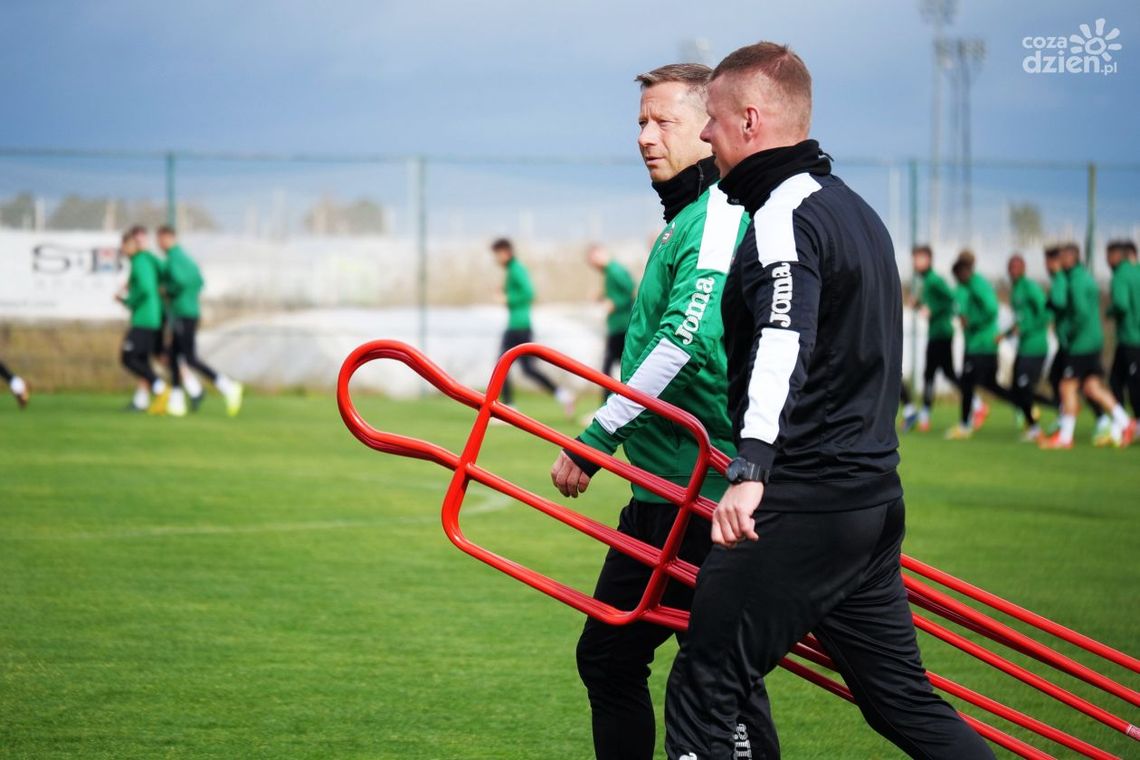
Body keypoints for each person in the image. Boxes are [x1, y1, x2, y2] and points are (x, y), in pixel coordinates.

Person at [663, 41, 994, 760]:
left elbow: (786, 337)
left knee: (704, 689)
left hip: (802, 502)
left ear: (750, 121)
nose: (704, 136)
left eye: (713, 120)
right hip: (869, 504)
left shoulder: (785, 214)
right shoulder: (854, 212)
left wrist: (750, 470)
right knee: (902, 705)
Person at [549, 63, 774, 760]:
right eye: (641, 123)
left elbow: (682, 337)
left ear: (708, 132)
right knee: (616, 657)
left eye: (664, 122)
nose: (646, 137)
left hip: (702, 494)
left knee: (717, 683)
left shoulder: (716, 218)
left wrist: (594, 437)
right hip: (662, 492)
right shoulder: (685, 221)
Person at [1040, 244, 1136, 449]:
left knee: (1066, 386)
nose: (1058, 262)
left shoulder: (1075, 281)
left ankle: (1065, 437)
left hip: (1081, 344)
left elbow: (1080, 312)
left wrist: (1069, 331)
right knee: (1092, 388)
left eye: (1062, 257)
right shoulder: (1083, 277)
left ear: (1072, 258)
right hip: (1093, 340)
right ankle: (1126, 422)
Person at [157, 226, 243, 417]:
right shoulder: (186, 258)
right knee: (173, 355)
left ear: (168, 238)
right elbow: (199, 281)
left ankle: (227, 386)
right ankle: (178, 400)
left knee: (189, 358)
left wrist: (167, 289)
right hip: (189, 311)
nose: (159, 244)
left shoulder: (173, 259)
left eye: (160, 239)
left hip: (183, 312)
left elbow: (178, 282)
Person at [490, 237, 575, 416]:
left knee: (501, 364)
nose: (495, 259)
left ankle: (508, 405)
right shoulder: (511, 270)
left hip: (518, 326)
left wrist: (507, 298)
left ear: (506, 252)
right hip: (519, 325)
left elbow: (529, 292)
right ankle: (563, 395)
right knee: (528, 369)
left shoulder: (516, 269)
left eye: (497, 254)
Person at [946, 252, 1003, 440]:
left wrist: (971, 321)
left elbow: (992, 309)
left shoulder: (978, 284)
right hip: (973, 344)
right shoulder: (966, 287)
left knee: (968, 382)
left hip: (983, 344)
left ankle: (965, 424)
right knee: (986, 384)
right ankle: (1025, 407)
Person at [998, 253, 1049, 441]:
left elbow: (1045, 313)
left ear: (1024, 268)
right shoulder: (1016, 290)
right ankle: (1033, 422)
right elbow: (1020, 320)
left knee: (1024, 386)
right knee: (1017, 388)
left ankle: (1039, 423)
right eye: (1010, 267)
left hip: (1036, 346)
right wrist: (1005, 334)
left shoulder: (1030, 287)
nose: (1013, 271)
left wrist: (1026, 328)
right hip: (1024, 347)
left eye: (1016, 267)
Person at [911, 244, 961, 432]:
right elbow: (929, 308)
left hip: (942, 333)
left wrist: (933, 309)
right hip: (935, 333)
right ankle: (925, 414)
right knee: (932, 373)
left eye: (919, 258)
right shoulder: (923, 280)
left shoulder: (934, 280)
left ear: (928, 260)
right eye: (914, 258)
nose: (915, 262)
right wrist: (919, 306)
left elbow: (951, 300)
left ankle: (975, 403)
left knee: (941, 373)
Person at [116, 229, 168, 413]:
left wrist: (127, 300)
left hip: (145, 318)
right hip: (151, 317)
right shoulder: (143, 261)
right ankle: (142, 400)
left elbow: (145, 288)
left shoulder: (140, 261)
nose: (123, 249)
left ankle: (161, 387)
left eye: (125, 244)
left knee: (128, 357)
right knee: (142, 359)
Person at [586, 243, 635, 401]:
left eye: (593, 259)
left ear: (600, 253)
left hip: (622, 326)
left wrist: (613, 303)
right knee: (620, 366)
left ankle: (606, 406)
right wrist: (601, 296)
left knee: (609, 367)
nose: (593, 265)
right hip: (616, 326)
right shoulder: (608, 272)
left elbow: (630, 290)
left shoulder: (614, 270)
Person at [1107, 239, 1140, 416]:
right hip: (1132, 337)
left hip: (1131, 337)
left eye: (1109, 255)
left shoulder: (1121, 275)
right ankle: (1122, 423)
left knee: (1127, 382)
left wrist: (1108, 311)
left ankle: (1129, 422)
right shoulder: (1137, 271)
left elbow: (1121, 304)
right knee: (1116, 380)